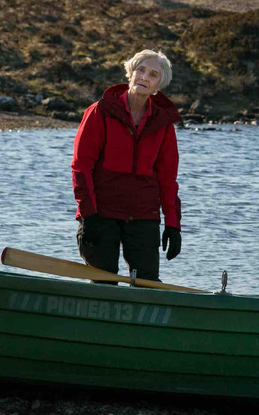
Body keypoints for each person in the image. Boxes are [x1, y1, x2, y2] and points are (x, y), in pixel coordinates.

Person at [71, 49, 182, 282]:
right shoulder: (100, 111)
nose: (144, 77)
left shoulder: (163, 123)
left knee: (147, 284)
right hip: (101, 214)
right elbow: (81, 167)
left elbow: (167, 178)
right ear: (130, 73)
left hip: (143, 215)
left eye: (153, 74)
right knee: (104, 282)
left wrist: (173, 224)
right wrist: (88, 214)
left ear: (158, 85)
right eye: (140, 70)